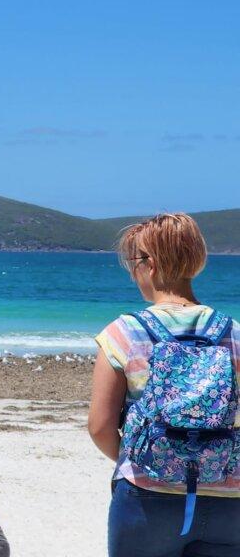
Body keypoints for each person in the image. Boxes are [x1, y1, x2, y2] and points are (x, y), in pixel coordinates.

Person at [88, 213, 239, 557]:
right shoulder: (234, 333)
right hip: (228, 500)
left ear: (150, 265)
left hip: (146, 497)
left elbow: (99, 426)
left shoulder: (123, 333)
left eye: (133, 262)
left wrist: (146, 460)